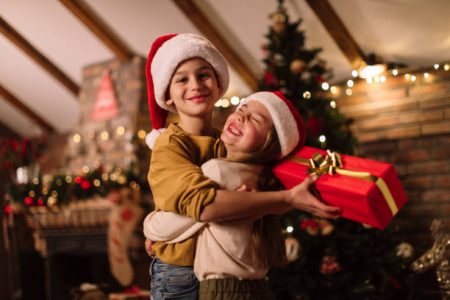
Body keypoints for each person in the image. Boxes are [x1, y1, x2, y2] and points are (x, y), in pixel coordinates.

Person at [144, 33, 341, 300]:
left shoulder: (226, 143)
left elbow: (220, 210)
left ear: (218, 84)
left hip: (210, 270)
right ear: (168, 97)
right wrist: (155, 227)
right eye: (182, 79)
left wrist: (157, 226)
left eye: (203, 75)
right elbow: (202, 203)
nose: (195, 85)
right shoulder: (170, 144)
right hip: (178, 270)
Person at [145, 91, 310, 299]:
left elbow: (168, 227)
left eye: (256, 119)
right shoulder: (261, 178)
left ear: (269, 143)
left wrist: (149, 224)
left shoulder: (220, 171)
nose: (241, 117)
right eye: (241, 109)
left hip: (223, 290)